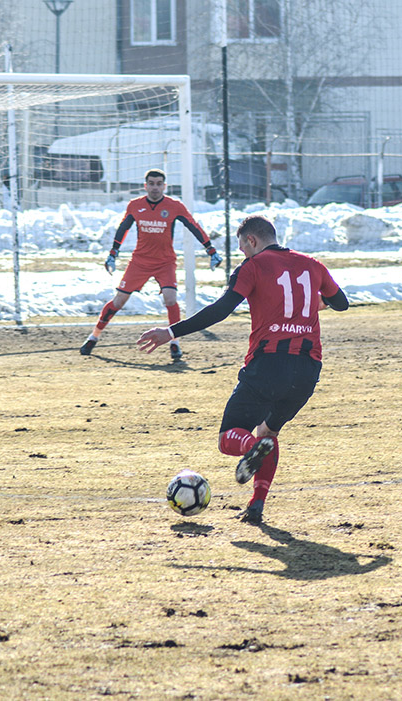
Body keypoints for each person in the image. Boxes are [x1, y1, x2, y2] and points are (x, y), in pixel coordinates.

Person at [138, 215, 348, 524]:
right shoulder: (312, 265)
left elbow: (221, 309)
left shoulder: (253, 266)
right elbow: (340, 303)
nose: (242, 254)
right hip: (307, 370)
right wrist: (311, 302)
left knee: (229, 438)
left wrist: (170, 332)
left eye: (242, 248)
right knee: (269, 431)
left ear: (252, 241)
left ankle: (252, 447)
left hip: (268, 366)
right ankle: (256, 503)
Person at [80, 168, 222, 360]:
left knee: (170, 299)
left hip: (165, 262)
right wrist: (113, 254)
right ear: (145, 186)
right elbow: (123, 228)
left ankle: (174, 343)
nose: (155, 188)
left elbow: (193, 226)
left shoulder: (174, 206)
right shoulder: (135, 205)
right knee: (118, 302)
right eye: (152, 184)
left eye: (159, 184)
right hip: (139, 261)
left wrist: (210, 250)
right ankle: (93, 336)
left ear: (165, 186)